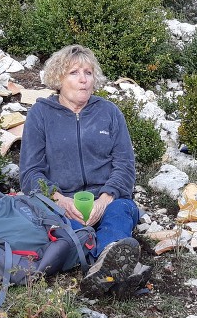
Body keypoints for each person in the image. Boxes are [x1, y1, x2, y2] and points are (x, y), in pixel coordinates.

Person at [19, 44, 141, 296]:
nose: (83, 80)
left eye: (88, 72)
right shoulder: (40, 114)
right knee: (68, 231)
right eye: (74, 72)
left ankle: (107, 262)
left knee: (120, 212)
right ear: (58, 79)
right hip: (60, 203)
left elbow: (125, 165)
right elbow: (30, 173)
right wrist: (61, 201)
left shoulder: (109, 112)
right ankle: (116, 270)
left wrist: (104, 200)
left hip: (107, 199)